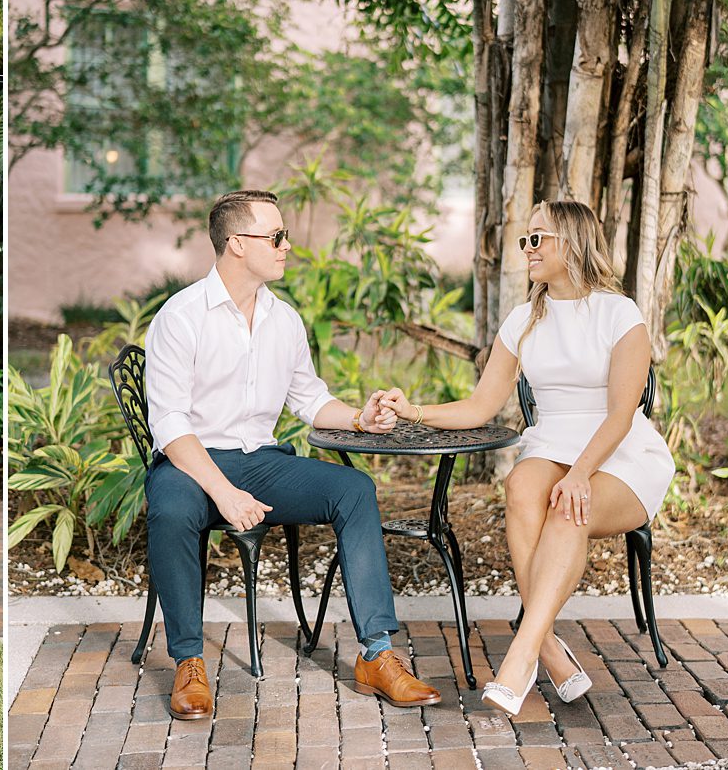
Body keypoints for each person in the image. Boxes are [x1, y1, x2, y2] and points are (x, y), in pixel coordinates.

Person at [144, 189, 440, 720]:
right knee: (171, 509)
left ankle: (377, 655)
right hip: (190, 465)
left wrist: (358, 417)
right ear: (236, 243)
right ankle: (188, 661)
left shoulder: (284, 319)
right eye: (276, 236)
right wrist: (225, 492)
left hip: (260, 461)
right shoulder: (181, 316)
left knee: (354, 490)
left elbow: (308, 398)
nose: (287, 247)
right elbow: (169, 423)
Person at [378, 200, 672, 716]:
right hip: (551, 445)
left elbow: (623, 413)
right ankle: (549, 647)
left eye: (539, 239)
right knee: (521, 486)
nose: (528, 250)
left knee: (566, 508)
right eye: (526, 240)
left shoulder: (617, 312)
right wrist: (413, 411)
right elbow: (480, 405)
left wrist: (581, 473)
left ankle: (521, 655)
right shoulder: (522, 320)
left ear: (573, 243)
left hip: (620, 453)